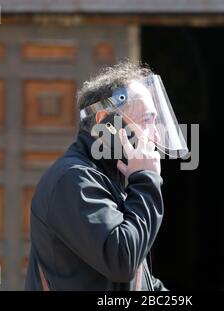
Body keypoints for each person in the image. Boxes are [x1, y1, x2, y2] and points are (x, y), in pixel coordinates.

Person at [25, 61, 187, 290]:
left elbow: (140, 284)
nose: (156, 137)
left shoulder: (110, 179)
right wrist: (146, 178)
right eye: (147, 121)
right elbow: (122, 259)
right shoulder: (72, 179)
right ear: (104, 123)